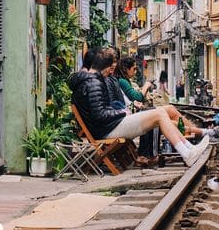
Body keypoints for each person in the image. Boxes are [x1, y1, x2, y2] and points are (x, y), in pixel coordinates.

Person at [68, 48, 209, 167]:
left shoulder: (89, 81)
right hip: (107, 130)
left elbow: (100, 111)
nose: (110, 73)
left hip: (109, 126)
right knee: (159, 114)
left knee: (159, 112)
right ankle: (187, 153)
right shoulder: (93, 83)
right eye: (111, 69)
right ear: (107, 67)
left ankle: (189, 149)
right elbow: (100, 115)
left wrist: (121, 112)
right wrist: (122, 113)